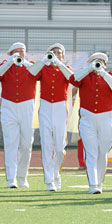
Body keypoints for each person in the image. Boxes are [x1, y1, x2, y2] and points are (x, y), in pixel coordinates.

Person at [69, 52, 112, 194]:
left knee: (102, 152)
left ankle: (99, 182)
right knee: (91, 152)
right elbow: (72, 80)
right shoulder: (84, 75)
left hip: (105, 117)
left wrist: (102, 72)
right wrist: (89, 69)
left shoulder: (111, 75)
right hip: (88, 118)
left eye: (100, 62)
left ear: (105, 64)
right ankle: (93, 184)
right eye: (95, 61)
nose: (98, 64)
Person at [27, 43, 73, 191]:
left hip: (60, 108)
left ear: (63, 56)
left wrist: (59, 63)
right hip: (46, 107)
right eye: (53, 52)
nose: (56, 54)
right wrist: (44, 61)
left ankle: (55, 173)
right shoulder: (43, 68)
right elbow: (31, 74)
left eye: (59, 52)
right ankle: (49, 180)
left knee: (60, 148)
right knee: (47, 145)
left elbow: (72, 78)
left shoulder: (66, 69)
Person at [0, 42, 36, 188]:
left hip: (27, 106)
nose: (20, 54)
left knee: (27, 144)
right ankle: (11, 178)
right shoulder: (5, 65)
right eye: (17, 51)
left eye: (22, 51)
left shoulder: (31, 65)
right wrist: (10, 61)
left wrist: (24, 62)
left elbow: (36, 72)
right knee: (10, 144)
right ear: (10, 53)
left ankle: (22, 176)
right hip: (9, 107)